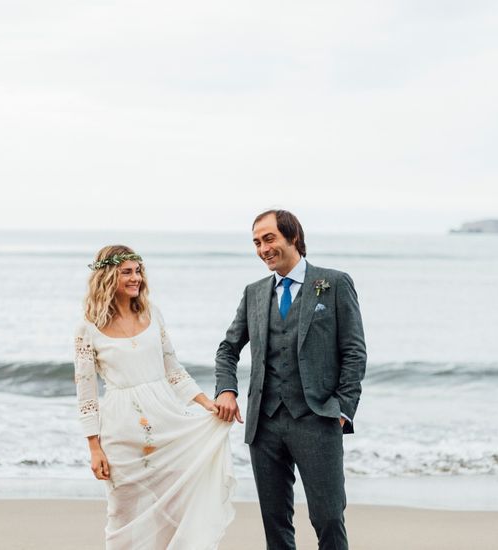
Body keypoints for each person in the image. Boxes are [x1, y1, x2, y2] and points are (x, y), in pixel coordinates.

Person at [214, 210, 366, 550]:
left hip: (317, 419)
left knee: (328, 517)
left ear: (293, 237)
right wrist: (226, 389)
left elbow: (354, 352)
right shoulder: (253, 293)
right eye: (256, 242)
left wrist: (342, 409)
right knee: (275, 523)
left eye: (269, 239)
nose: (263, 248)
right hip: (264, 425)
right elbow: (228, 349)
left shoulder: (334, 283)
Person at [74, 244, 235, 549]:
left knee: (172, 507)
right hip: (120, 431)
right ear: (108, 276)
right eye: (127, 272)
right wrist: (94, 448)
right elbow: (86, 393)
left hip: (165, 423)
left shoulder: (152, 314)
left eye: (138, 271)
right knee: (121, 512)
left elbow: (173, 370)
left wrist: (206, 403)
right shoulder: (88, 328)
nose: (136, 278)